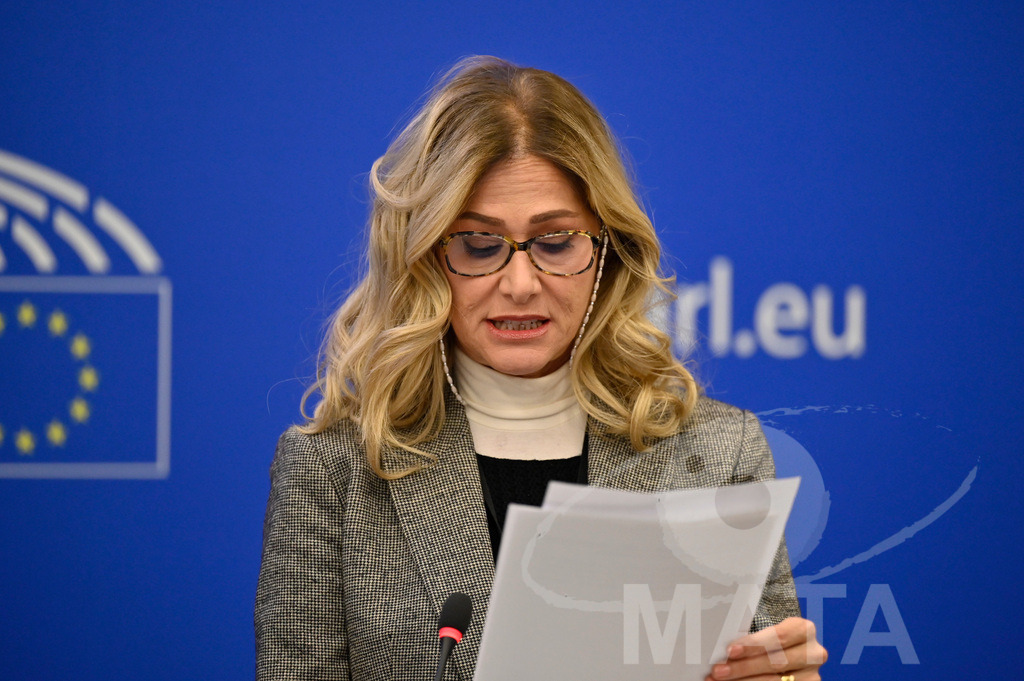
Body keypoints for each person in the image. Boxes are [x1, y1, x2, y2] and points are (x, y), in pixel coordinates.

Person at [255, 56, 826, 681]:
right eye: (478, 244)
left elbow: (770, 670)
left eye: (555, 243)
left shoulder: (720, 456)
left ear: (608, 252)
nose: (521, 284)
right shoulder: (330, 473)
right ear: (423, 256)